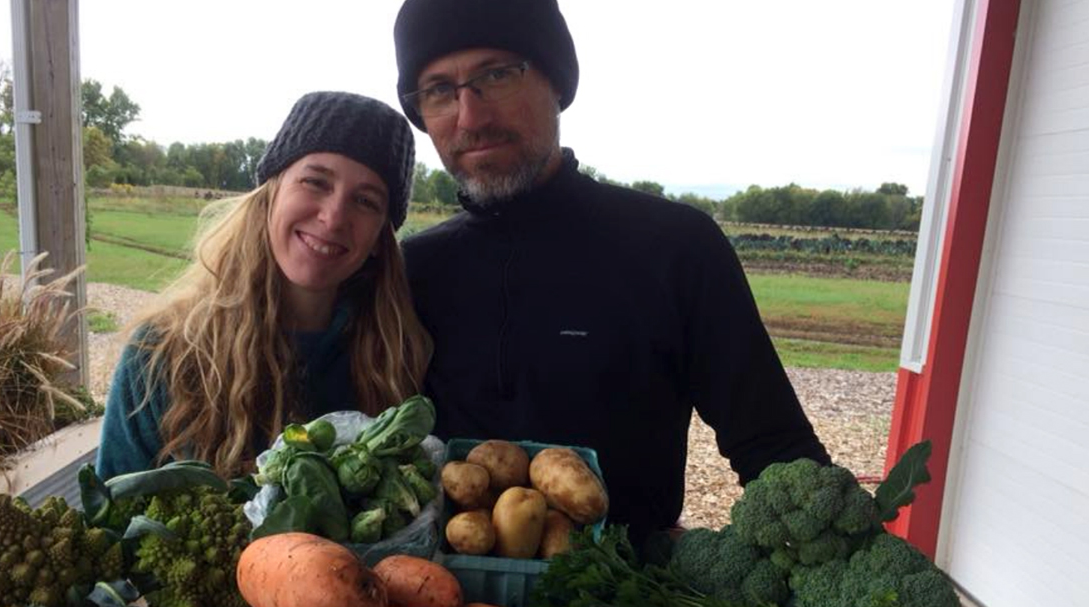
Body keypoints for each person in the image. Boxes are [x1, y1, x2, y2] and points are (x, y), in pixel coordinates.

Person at [391, 0, 830, 547]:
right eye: (438, 90)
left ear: (557, 82)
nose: (469, 117)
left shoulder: (676, 247)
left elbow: (776, 451)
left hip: (631, 605)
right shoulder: (413, 269)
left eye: (497, 75)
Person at [96, 91, 431, 481]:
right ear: (271, 194)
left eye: (366, 201)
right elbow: (109, 519)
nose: (334, 217)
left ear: (380, 240)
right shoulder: (161, 354)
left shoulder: (399, 355)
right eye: (315, 182)